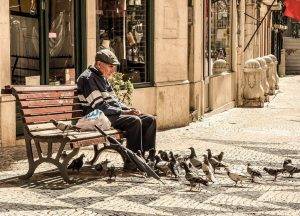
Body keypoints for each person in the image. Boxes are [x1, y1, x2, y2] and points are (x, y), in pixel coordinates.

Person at [77, 48, 156, 168]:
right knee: (134, 121)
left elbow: (115, 101)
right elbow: (99, 107)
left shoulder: (102, 77)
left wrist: (128, 109)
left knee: (149, 119)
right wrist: (124, 112)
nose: (113, 70)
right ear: (99, 64)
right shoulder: (88, 78)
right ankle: (132, 161)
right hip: (97, 118)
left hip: (110, 115)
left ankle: (148, 157)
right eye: (110, 66)